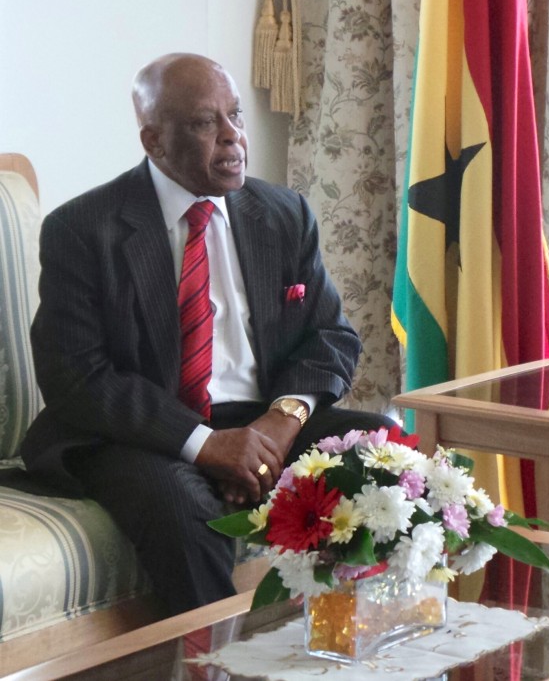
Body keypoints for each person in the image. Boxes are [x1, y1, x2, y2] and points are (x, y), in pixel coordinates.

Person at [21, 52, 392, 614]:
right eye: (204, 123)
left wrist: (279, 423)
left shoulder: (284, 213)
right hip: (141, 434)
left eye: (235, 116)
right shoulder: (83, 229)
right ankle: (215, 669)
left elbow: (330, 336)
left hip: (261, 418)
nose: (233, 137)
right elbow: (76, 376)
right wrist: (206, 445)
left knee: (384, 450)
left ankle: (367, 651)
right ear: (154, 141)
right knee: (182, 504)